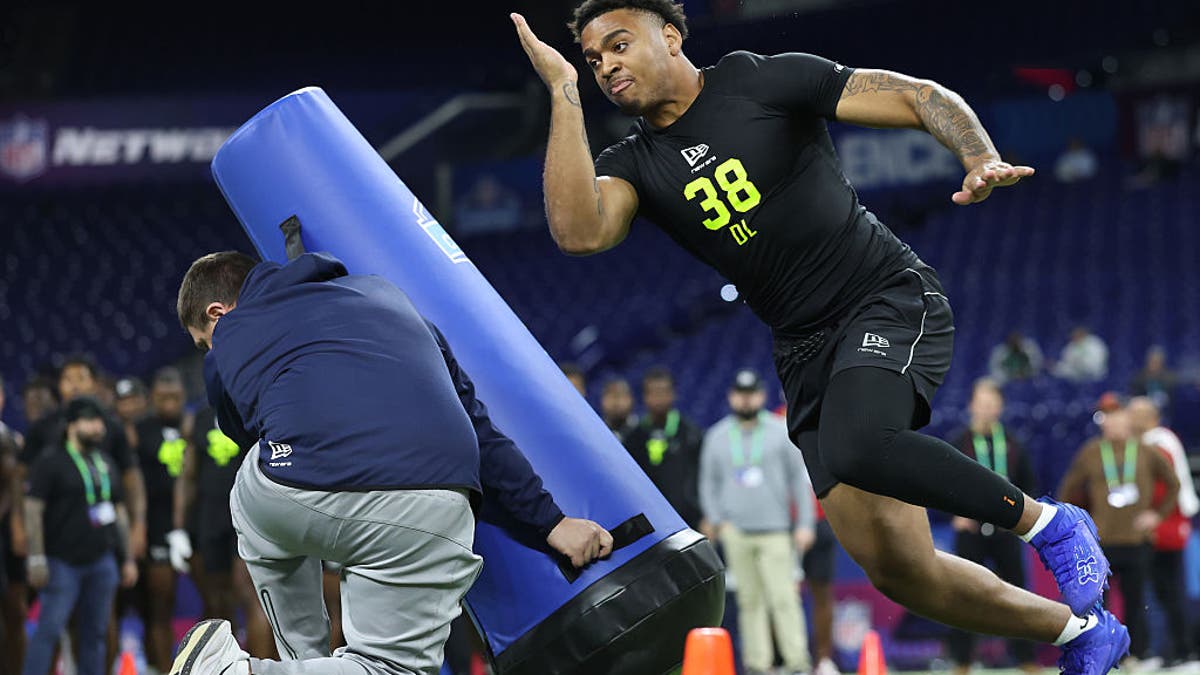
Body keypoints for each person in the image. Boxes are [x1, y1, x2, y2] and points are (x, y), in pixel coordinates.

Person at [511, 1, 1128, 670]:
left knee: (858, 443)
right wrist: (563, 93)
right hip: (802, 350)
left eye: (619, 45)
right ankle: (1081, 633)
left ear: (669, 36)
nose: (606, 66)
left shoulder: (762, 80)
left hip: (883, 297)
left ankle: (1051, 523)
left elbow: (921, 96)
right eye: (595, 60)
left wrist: (977, 156)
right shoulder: (634, 162)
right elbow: (579, 232)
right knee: (901, 568)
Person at [168, 250, 612, 675]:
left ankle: (258, 667)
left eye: (203, 343)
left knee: (257, 492)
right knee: (390, 668)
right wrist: (551, 522)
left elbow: (253, 437)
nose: (211, 351)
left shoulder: (231, 333)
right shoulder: (389, 296)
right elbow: (476, 425)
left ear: (217, 314)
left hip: (300, 489)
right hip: (435, 507)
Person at [699, 369, 814, 675]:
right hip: (736, 531)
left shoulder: (780, 431)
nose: (746, 398)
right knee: (750, 601)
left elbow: (798, 483)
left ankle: (797, 662)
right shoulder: (717, 436)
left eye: (751, 393)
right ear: (731, 396)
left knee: (783, 598)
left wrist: (805, 523)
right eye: (740, 392)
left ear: (761, 396)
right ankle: (757, 664)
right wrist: (717, 521)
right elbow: (708, 484)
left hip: (776, 530)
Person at [22, 396, 138, 675]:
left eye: (100, 422)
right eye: (90, 421)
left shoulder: (105, 461)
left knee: (95, 635)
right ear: (71, 425)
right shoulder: (50, 461)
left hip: (102, 560)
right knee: (49, 631)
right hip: (62, 561)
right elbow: (33, 509)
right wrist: (36, 556)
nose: (98, 428)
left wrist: (128, 558)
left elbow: (119, 512)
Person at [1058, 402, 1178, 665]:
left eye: (1119, 418)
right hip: (1101, 543)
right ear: (1103, 423)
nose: (1114, 424)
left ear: (1128, 421)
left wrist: (1156, 515)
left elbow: (1173, 483)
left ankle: (1137, 656)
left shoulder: (1146, 451)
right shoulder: (1091, 452)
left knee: (1137, 601)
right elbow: (1067, 490)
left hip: (1137, 540)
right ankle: (1100, 654)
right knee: (1099, 605)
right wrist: (1078, 525)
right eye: (1109, 419)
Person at [945, 379, 1039, 674]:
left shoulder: (1012, 443)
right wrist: (955, 514)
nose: (986, 410)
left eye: (992, 404)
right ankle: (961, 662)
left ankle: (1026, 659)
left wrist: (1019, 522)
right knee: (963, 596)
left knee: (1017, 595)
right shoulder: (958, 441)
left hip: (1005, 532)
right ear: (972, 405)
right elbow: (938, 484)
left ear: (1000, 408)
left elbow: (1027, 487)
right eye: (981, 404)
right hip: (970, 532)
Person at [172, 405, 278, 660]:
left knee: (249, 595)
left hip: (249, 510)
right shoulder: (201, 417)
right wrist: (178, 528)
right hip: (210, 515)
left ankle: (259, 668)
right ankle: (227, 666)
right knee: (217, 600)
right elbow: (188, 474)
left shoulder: (258, 409)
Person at [1129, 396, 1199, 665]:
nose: (1130, 418)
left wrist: (1154, 518)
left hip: (1167, 524)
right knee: (1160, 591)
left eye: (1136, 413)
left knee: (1166, 591)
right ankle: (1169, 652)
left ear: (1151, 417)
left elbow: (1162, 488)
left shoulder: (1158, 443)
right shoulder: (1153, 442)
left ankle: (1180, 653)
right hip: (1165, 522)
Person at [132, 367, 191, 672]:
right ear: (152, 397)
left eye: (175, 396)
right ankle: (161, 667)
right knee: (159, 606)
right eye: (162, 396)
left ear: (183, 396)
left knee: (217, 598)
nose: (169, 402)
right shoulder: (139, 429)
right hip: (156, 523)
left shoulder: (193, 424)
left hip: (196, 522)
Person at [624, 366, 704, 528]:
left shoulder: (690, 433)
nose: (658, 398)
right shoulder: (634, 438)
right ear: (645, 397)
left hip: (688, 520)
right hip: (650, 520)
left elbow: (701, 476)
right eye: (653, 392)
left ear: (673, 394)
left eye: (663, 392)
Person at [600, 377, 639, 445]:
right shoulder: (597, 431)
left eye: (621, 396)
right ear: (603, 400)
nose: (616, 403)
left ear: (631, 400)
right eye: (612, 396)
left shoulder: (642, 432)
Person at [113, 377, 149, 448]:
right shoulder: (111, 428)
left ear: (145, 400)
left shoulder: (157, 422)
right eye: (123, 403)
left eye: (134, 401)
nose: (129, 408)